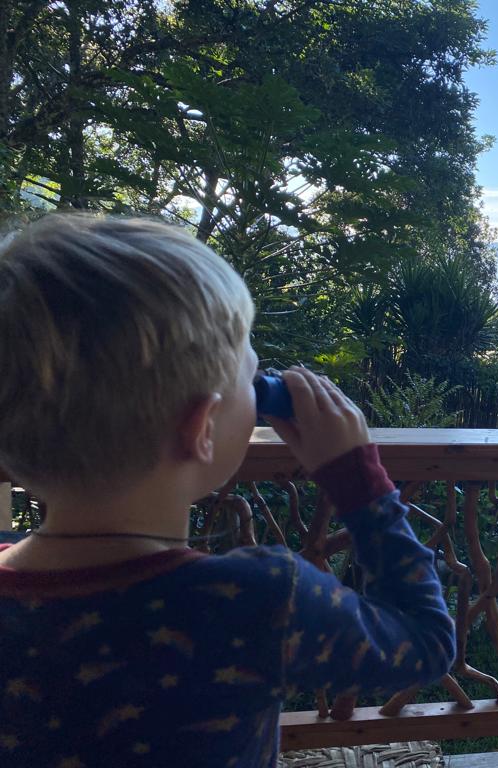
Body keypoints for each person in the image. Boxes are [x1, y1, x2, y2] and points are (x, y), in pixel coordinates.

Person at [0, 214, 455, 767]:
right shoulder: (256, 600)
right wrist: (358, 483)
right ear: (202, 428)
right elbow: (426, 642)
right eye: (252, 378)